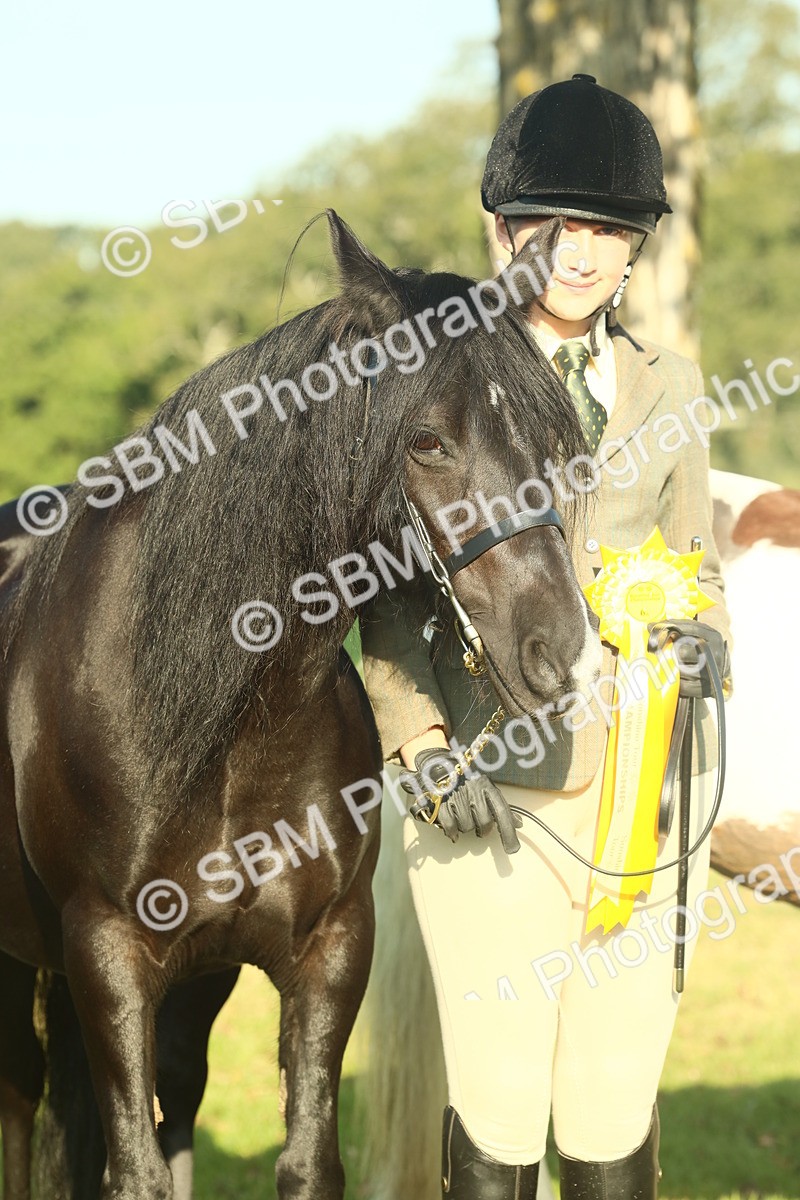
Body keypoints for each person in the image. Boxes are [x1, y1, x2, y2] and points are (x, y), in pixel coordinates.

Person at [359, 74, 731, 1200]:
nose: (580, 253)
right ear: (502, 227)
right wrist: (417, 744)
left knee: (613, 1096)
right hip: (487, 787)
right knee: (503, 1096)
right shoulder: (437, 378)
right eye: (556, 225)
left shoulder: (671, 386)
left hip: (651, 788)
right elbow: (382, 592)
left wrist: (707, 637)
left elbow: (695, 566)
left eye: (608, 229)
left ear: (635, 249)